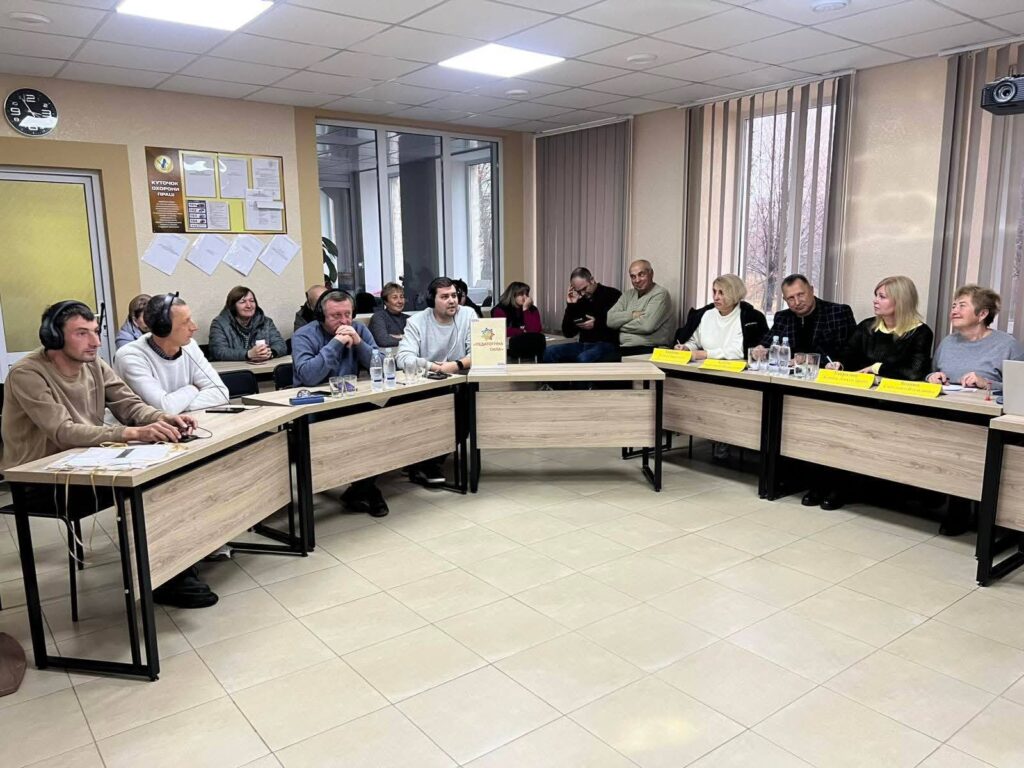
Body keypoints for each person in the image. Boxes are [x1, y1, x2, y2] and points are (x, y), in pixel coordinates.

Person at [1, 300, 217, 608]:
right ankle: (164, 577)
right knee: (149, 486)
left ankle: (175, 564)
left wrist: (162, 418)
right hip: (40, 480)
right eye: (82, 333)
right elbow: (63, 431)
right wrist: (132, 433)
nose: (95, 341)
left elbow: (129, 404)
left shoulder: (94, 364)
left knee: (172, 470)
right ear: (53, 337)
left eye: (95, 331)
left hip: (85, 463)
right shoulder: (27, 374)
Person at [291, 290, 388, 517]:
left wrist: (360, 344)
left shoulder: (359, 329)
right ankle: (365, 489)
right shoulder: (303, 335)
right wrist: (336, 343)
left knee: (382, 424)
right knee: (333, 434)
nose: (344, 321)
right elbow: (309, 376)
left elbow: (383, 366)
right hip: (314, 405)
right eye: (336, 316)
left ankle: (362, 488)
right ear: (321, 316)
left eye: (348, 314)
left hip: (348, 399)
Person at [397, 277, 474, 486]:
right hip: (426, 385)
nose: (452, 301)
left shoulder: (467, 315)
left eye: (454, 296)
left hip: (459, 383)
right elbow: (403, 358)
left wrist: (455, 365)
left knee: (466, 417)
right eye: (445, 297)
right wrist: (433, 366)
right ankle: (423, 463)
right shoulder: (417, 321)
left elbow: (480, 351)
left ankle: (429, 462)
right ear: (432, 300)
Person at [114, 293, 229, 415]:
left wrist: (177, 406)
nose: (194, 327)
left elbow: (221, 393)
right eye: (185, 322)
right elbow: (164, 408)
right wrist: (193, 388)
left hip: (184, 421)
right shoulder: (130, 357)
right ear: (163, 328)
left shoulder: (190, 346)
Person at [825, 275, 933, 380]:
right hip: (861, 387)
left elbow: (915, 372)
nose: (875, 300)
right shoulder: (866, 326)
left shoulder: (921, 332)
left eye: (882, 297)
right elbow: (848, 355)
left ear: (901, 301)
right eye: (876, 295)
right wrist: (839, 364)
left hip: (894, 391)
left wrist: (875, 368)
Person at [927, 284, 1023, 390]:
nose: (954, 311)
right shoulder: (947, 342)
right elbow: (929, 373)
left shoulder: (1008, 345)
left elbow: (1019, 389)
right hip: (945, 400)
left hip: (984, 401)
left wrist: (986, 383)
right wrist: (932, 377)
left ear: (982, 314)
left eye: (962, 306)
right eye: (953, 306)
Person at [755, 274, 856, 360]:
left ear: (811, 290)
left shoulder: (838, 312)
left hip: (826, 373)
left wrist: (812, 360)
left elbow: (850, 353)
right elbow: (767, 344)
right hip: (790, 374)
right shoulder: (782, 317)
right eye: (791, 298)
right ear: (785, 300)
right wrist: (759, 349)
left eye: (800, 295)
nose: (797, 302)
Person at [673, 274, 768, 360]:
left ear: (734, 294)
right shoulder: (706, 314)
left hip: (736, 370)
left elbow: (738, 351)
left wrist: (705, 354)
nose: (716, 297)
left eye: (721, 293)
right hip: (704, 367)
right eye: (714, 292)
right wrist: (686, 347)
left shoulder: (749, 318)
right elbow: (695, 341)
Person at [543, 267, 622, 363]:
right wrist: (571, 305)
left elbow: (619, 323)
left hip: (607, 344)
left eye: (584, 288)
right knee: (549, 351)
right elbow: (568, 333)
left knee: (584, 358)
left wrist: (596, 324)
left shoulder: (613, 294)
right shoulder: (580, 300)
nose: (583, 293)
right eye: (578, 291)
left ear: (592, 280)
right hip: (583, 344)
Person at [606, 260, 674, 356]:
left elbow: (646, 326)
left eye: (641, 275)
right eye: (633, 277)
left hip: (650, 349)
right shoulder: (627, 294)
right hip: (624, 348)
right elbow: (610, 320)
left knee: (599, 358)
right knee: (596, 357)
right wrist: (632, 315)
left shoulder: (660, 294)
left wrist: (619, 325)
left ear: (651, 274)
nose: (637, 280)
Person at [208, 286, 287, 362]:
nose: (249, 305)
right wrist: (248, 354)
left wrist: (270, 353)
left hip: (263, 368)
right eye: (243, 302)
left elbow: (281, 345)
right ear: (233, 306)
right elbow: (218, 351)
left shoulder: (266, 322)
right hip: (233, 370)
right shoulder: (219, 324)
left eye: (252, 301)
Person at [492, 281, 545, 361]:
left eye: (526, 294)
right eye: (521, 294)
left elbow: (535, 331)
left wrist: (525, 310)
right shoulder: (500, 309)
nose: (525, 297)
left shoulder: (532, 309)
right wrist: (523, 331)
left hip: (530, 348)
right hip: (508, 350)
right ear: (512, 295)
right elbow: (501, 330)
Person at [368, 282, 408, 348]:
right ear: (386, 302)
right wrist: (407, 338)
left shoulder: (409, 319)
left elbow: (420, 339)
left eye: (401, 297)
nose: (400, 301)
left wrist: (399, 336)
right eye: (395, 298)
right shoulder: (379, 317)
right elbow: (384, 341)